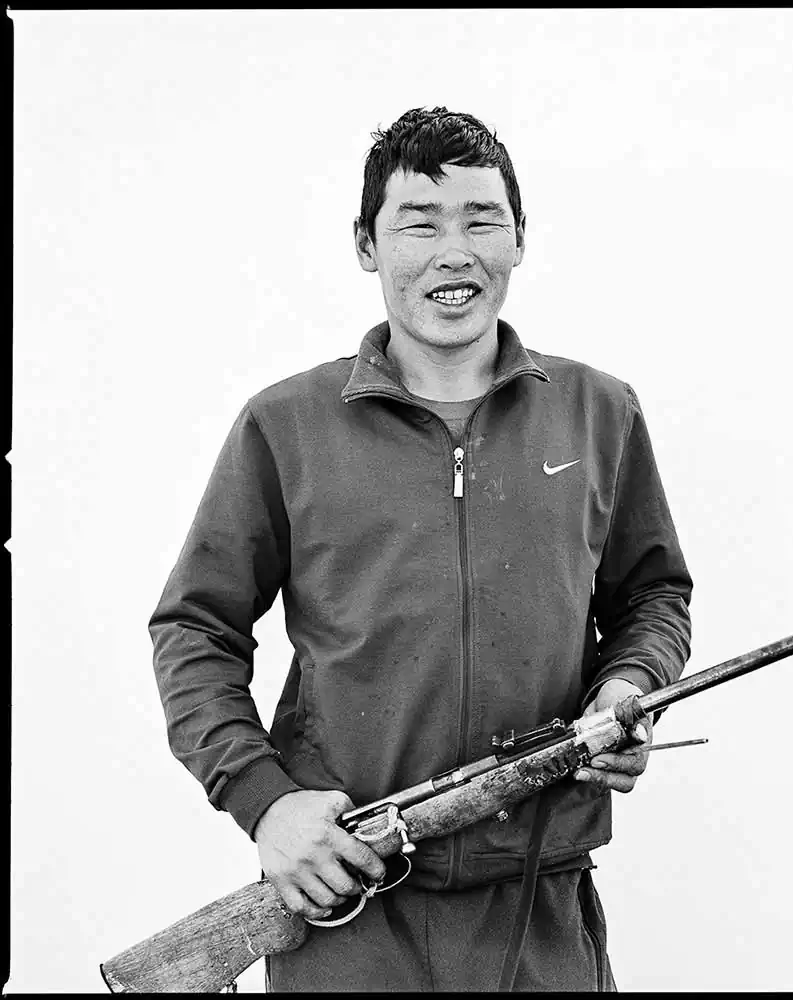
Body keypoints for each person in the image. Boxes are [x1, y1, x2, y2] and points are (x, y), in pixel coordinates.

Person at [150, 106, 693, 992]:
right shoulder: (283, 425)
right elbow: (194, 630)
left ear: (520, 240)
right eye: (419, 223)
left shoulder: (602, 412)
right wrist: (267, 803)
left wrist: (630, 687)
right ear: (366, 244)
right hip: (347, 911)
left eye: (482, 220)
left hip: (542, 907)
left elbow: (652, 597)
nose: (454, 252)